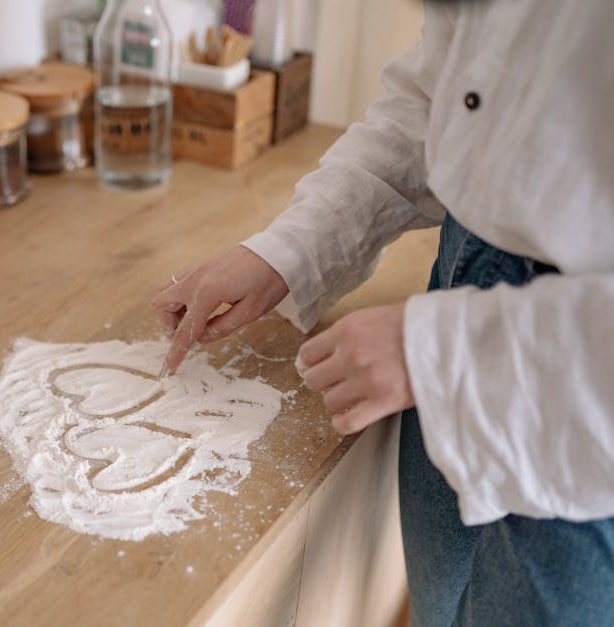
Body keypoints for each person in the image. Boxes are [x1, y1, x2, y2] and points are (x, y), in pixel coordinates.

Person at [152, 1, 614, 625]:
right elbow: (442, 99)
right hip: (458, 283)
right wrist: (288, 250)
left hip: (581, 390)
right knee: (438, 609)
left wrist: (443, 355)